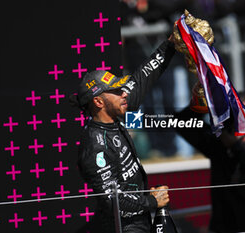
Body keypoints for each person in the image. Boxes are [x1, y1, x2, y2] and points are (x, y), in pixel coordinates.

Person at [71, 36, 175, 233]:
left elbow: (143, 76)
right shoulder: (95, 146)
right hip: (122, 228)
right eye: (117, 91)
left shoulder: (115, 111)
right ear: (99, 102)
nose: (124, 93)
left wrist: (170, 44)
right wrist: (152, 201)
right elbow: (112, 200)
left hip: (140, 219)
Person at [175, 90, 245, 232]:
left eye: (241, 112)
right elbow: (181, 122)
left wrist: (236, 147)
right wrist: (205, 102)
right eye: (231, 112)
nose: (236, 118)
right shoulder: (218, 143)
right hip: (224, 226)